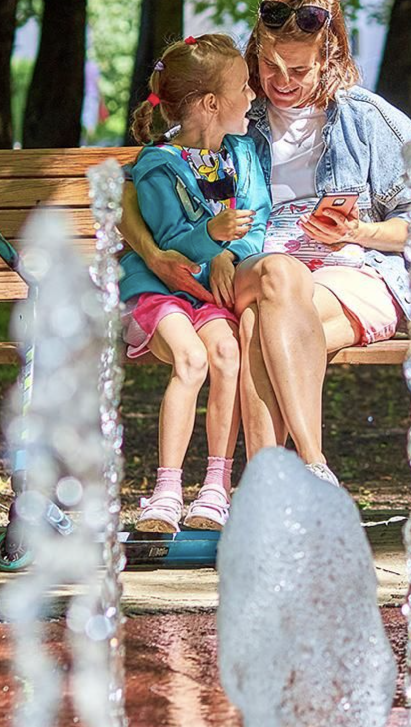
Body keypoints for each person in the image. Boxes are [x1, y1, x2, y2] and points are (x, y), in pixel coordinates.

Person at [120, 0, 411, 486]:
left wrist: (358, 230)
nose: (280, 82)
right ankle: (305, 473)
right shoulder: (237, 113)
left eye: (298, 70)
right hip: (261, 265)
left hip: (355, 270)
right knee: (277, 282)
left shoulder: (371, 120)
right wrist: (163, 253)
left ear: (330, 58)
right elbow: (135, 184)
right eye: (269, 66)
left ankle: (269, 488)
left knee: (260, 323)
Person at [120, 33, 270, 532]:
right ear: (211, 104)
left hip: (209, 294)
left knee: (227, 355)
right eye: (243, 87)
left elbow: (258, 218)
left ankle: (214, 489)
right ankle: (165, 492)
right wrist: (211, 236)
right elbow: (168, 241)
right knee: (191, 359)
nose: (252, 95)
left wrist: (232, 253)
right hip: (160, 291)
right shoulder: (158, 165)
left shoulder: (242, 154)